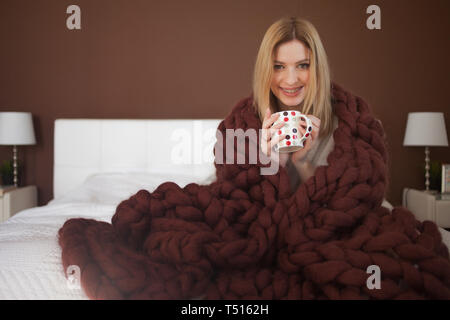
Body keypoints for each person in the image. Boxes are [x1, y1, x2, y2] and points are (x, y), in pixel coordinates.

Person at [255, 17, 338, 192]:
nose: (291, 80)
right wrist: (273, 162)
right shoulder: (242, 126)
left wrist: (301, 163)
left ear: (317, 68)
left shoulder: (348, 128)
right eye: (278, 67)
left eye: (303, 65)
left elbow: (341, 204)